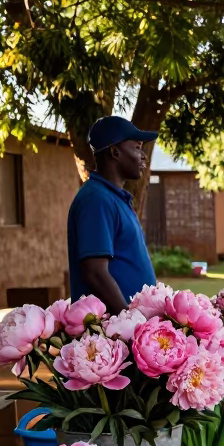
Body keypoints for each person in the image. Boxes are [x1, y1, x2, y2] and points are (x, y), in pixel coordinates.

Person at [67, 116, 158, 312]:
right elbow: (95, 273)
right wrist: (128, 317)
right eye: (137, 147)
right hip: (112, 332)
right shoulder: (96, 200)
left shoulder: (114, 198)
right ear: (115, 152)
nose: (143, 156)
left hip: (127, 329)